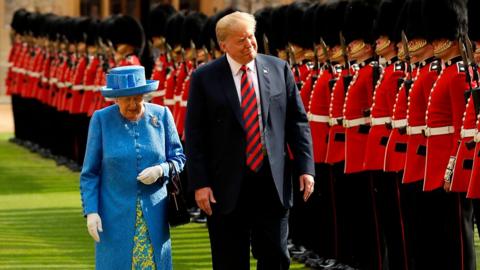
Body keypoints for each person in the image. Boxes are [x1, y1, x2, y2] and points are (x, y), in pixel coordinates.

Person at [185, 11, 315, 270]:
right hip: (226, 183)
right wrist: (200, 183)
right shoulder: (204, 77)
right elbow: (195, 135)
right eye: (241, 40)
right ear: (223, 45)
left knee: (276, 256)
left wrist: (305, 168)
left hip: (271, 180)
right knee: (230, 258)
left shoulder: (279, 68)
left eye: (251, 37)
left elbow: (297, 123)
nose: (249, 44)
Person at [80, 65, 186, 270]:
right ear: (115, 99)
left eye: (137, 97)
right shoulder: (101, 120)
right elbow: (90, 173)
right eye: (126, 99)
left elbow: (179, 157)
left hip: (154, 214)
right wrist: (91, 212)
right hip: (113, 216)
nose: (133, 104)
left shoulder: (162, 115)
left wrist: (162, 169)